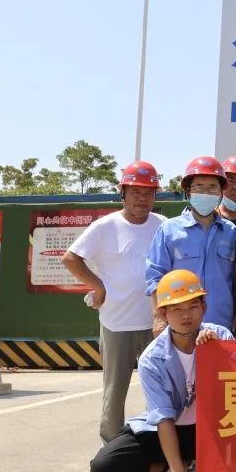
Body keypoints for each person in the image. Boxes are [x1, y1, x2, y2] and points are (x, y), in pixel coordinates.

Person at [88, 270, 236, 472]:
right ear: (163, 313)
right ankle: (172, 471)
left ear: (204, 307)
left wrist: (218, 354)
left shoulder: (221, 337)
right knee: (104, 467)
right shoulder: (152, 359)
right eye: (176, 309)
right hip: (173, 430)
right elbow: (163, 419)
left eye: (193, 306)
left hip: (215, 429)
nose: (186, 315)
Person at [62, 161, 165, 443]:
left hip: (156, 324)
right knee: (115, 391)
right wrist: (97, 285)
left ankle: (158, 445)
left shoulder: (163, 225)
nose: (142, 199)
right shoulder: (105, 226)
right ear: (123, 193)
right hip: (116, 322)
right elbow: (71, 258)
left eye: (149, 193)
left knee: (160, 389)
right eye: (136, 192)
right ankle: (111, 446)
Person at [146, 157, 236, 333]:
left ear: (221, 193)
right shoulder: (169, 230)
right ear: (188, 192)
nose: (206, 193)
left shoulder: (230, 231)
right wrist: (158, 316)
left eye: (212, 187)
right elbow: (155, 276)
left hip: (221, 325)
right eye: (199, 187)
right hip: (181, 327)